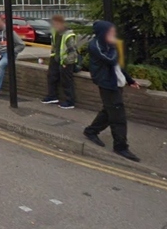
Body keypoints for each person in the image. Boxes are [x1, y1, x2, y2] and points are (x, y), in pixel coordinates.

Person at [83, 21, 140, 162]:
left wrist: (130, 80)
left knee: (109, 111)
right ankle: (121, 147)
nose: (113, 35)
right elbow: (110, 59)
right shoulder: (95, 45)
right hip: (107, 84)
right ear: (103, 33)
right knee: (118, 117)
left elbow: (118, 66)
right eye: (110, 32)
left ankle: (91, 131)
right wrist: (115, 47)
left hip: (116, 83)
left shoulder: (109, 45)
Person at [42, 15, 79, 109]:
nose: (54, 26)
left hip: (66, 61)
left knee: (66, 81)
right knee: (51, 76)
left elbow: (73, 51)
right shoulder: (55, 32)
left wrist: (66, 62)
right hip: (56, 59)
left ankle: (70, 101)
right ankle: (52, 96)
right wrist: (52, 57)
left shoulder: (68, 35)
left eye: (56, 24)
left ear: (61, 23)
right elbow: (55, 45)